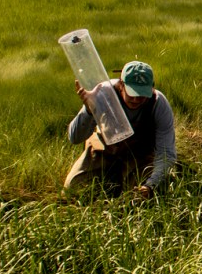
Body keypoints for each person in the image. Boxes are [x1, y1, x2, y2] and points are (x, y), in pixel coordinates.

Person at [64, 60, 177, 198]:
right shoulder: (101, 93)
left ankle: (125, 180)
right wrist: (89, 109)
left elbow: (166, 154)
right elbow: (74, 138)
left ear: (152, 88)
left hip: (138, 155)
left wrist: (151, 185)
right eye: (132, 93)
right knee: (72, 189)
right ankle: (109, 175)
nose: (136, 99)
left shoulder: (159, 103)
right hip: (103, 150)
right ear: (121, 85)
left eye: (141, 94)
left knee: (145, 195)